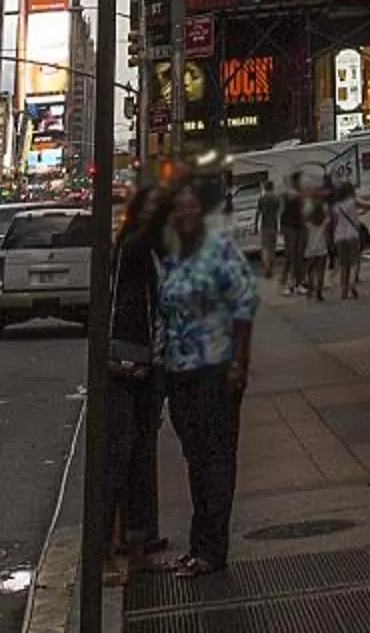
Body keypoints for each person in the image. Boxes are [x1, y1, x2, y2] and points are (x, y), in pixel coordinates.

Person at [153, 181, 259, 581]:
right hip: (179, 373)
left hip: (216, 369)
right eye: (177, 209)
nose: (184, 215)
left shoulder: (220, 252)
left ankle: (212, 549)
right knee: (195, 460)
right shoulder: (174, 259)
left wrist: (240, 364)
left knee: (216, 462)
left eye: (190, 207)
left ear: (202, 212)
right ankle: (199, 545)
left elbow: (244, 306)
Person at [99, 181, 170, 586]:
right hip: (121, 367)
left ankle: (139, 549)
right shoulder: (130, 251)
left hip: (152, 366)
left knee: (141, 461)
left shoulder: (159, 254)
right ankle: (105, 554)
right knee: (117, 461)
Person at [327, 183, 368, 300]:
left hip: (340, 237)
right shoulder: (353, 201)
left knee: (343, 265)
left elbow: (334, 224)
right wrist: (360, 213)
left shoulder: (335, 207)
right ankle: (352, 283)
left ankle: (343, 291)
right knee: (355, 262)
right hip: (352, 235)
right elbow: (367, 206)